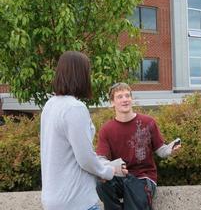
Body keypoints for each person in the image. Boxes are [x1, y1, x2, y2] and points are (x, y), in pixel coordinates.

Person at [40, 51, 126, 210]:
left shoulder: (50, 105)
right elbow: (85, 158)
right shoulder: (74, 108)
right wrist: (108, 171)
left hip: (53, 199)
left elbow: (65, 154)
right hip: (76, 200)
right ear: (80, 75)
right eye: (88, 72)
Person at [96, 82, 180, 210]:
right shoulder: (106, 130)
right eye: (120, 97)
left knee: (134, 195)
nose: (125, 99)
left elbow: (160, 150)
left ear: (132, 99)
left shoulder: (148, 122)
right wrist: (116, 168)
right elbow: (101, 160)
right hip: (120, 177)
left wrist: (169, 149)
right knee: (101, 183)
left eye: (127, 96)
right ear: (112, 102)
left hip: (143, 178)